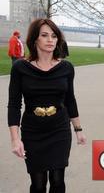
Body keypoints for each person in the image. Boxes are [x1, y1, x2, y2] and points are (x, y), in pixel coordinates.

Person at [7, 18, 86, 193]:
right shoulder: (20, 68)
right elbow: (14, 105)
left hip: (59, 129)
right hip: (33, 131)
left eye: (54, 36)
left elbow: (70, 100)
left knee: (58, 180)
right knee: (38, 183)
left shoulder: (66, 68)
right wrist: (15, 139)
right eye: (44, 35)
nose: (50, 40)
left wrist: (78, 130)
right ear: (35, 39)